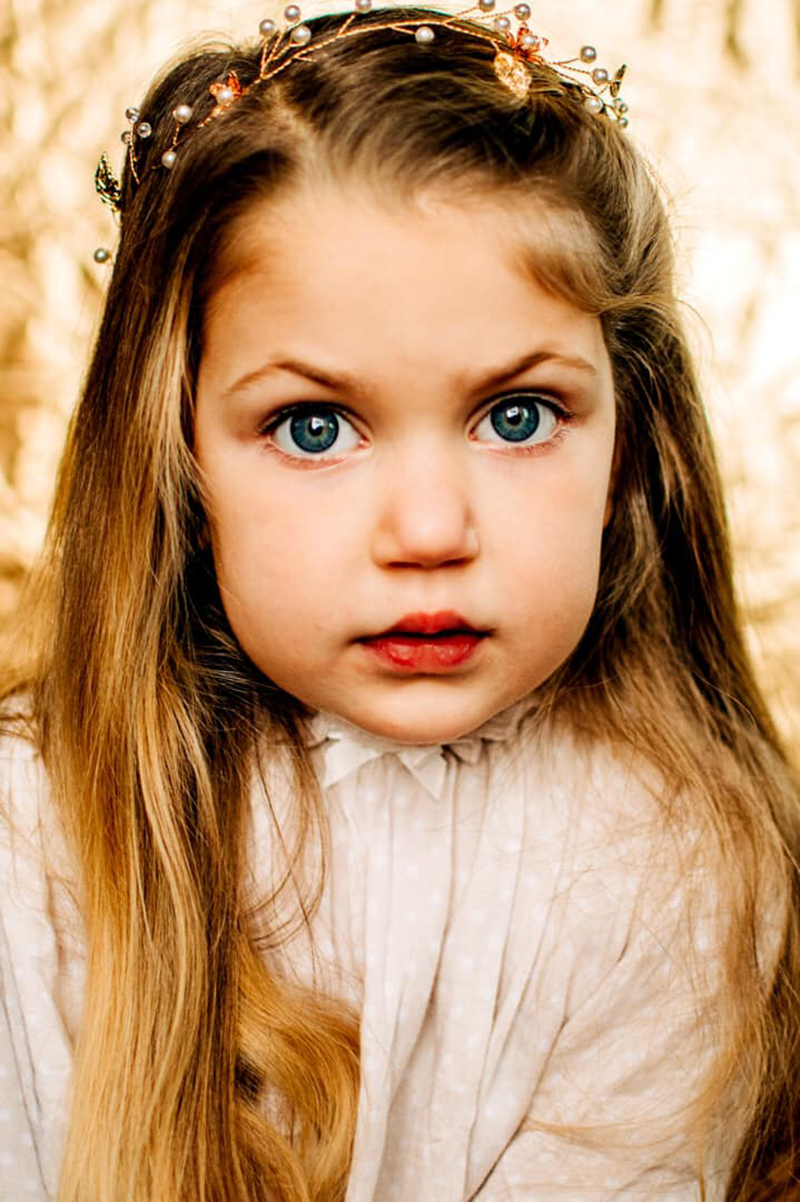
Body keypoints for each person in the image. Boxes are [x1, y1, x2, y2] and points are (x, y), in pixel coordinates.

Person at [1, 2, 798, 1198]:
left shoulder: (676, 860)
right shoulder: (40, 827)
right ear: (178, 463)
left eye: (516, 415)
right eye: (312, 426)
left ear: (626, 453)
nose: (429, 531)